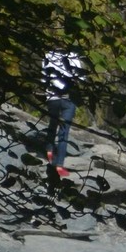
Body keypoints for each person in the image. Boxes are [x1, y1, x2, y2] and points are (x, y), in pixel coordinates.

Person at [41, 48, 84, 178]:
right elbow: (81, 77)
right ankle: (59, 165)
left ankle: (49, 150)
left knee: (52, 123)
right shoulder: (73, 55)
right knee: (64, 132)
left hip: (52, 96)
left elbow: (44, 77)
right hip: (69, 98)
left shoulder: (48, 54)